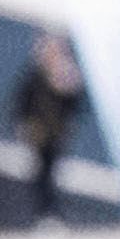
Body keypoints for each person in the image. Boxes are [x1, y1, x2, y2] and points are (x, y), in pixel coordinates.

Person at [12, 33, 85, 225]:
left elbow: (74, 106)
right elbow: (22, 101)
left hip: (57, 133)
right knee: (41, 174)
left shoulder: (65, 77)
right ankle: (44, 214)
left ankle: (51, 214)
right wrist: (23, 123)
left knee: (52, 173)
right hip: (39, 132)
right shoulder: (35, 76)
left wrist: (70, 89)